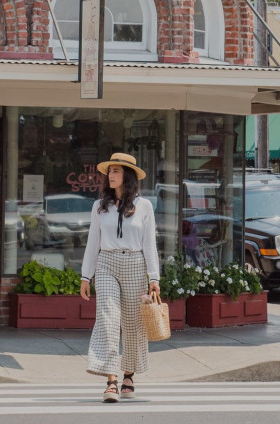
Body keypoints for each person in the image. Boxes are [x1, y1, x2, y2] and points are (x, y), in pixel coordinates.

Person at [80, 152, 161, 402]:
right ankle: (111, 381)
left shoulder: (144, 206)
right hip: (106, 264)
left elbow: (150, 244)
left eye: (116, 171)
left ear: (127, 175)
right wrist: (86, 275)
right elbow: (93, 241)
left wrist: (154, 278)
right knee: (108, 319)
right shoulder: (99, 206)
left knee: (133, 324)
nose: (110, 175)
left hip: (135, 264)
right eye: (109, 171)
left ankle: (128, 374)